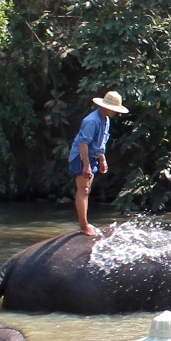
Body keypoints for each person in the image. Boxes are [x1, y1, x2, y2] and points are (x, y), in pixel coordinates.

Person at [71, 89, 128, 238]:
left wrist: (102, 158)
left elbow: (100, 142)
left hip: (93, 156)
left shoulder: (106, 120)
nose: (115, 112)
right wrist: (86, 164)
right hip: (81, 156)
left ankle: (83, 222)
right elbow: (83, 143)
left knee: (87, 190)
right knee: (83, 189)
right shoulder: (92, 121)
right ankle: (84, 225)